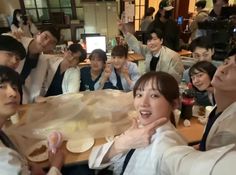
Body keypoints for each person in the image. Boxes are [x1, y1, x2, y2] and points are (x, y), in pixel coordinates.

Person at [89, 71, 187, 175]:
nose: (143, 103)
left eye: (154, 95)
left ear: (174, 104)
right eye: (139, 94)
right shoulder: (138, 128)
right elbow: (94, 161)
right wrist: (121, 144)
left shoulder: (167, 145)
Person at [0, 65, 64, 175]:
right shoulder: (4, 159)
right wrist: (55, 166)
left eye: (15, 88)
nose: (13, 93)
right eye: (1, 86)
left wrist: (25, 165)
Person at [118, 22, 184, 83]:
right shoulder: (148, 51)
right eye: (149, 40)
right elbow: (136, 45)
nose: (151, 43)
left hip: (166, 88)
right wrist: (124, 31)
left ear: (161, 41)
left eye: (155, 39)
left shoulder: (173, 56)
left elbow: (176, 79)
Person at [9, 26, 61, 103]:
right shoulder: (16, 41)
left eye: (52, 42)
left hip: (18, 96)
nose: (46, 43)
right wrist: (11, 35)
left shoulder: (42, 60)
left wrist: (36, 98)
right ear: (38, 34)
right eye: (45, 37)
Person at [198, 49, 236, 151]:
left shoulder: (229, 133)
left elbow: (208, 164)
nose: (223, 69)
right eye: (226, 62)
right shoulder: (221, 106)